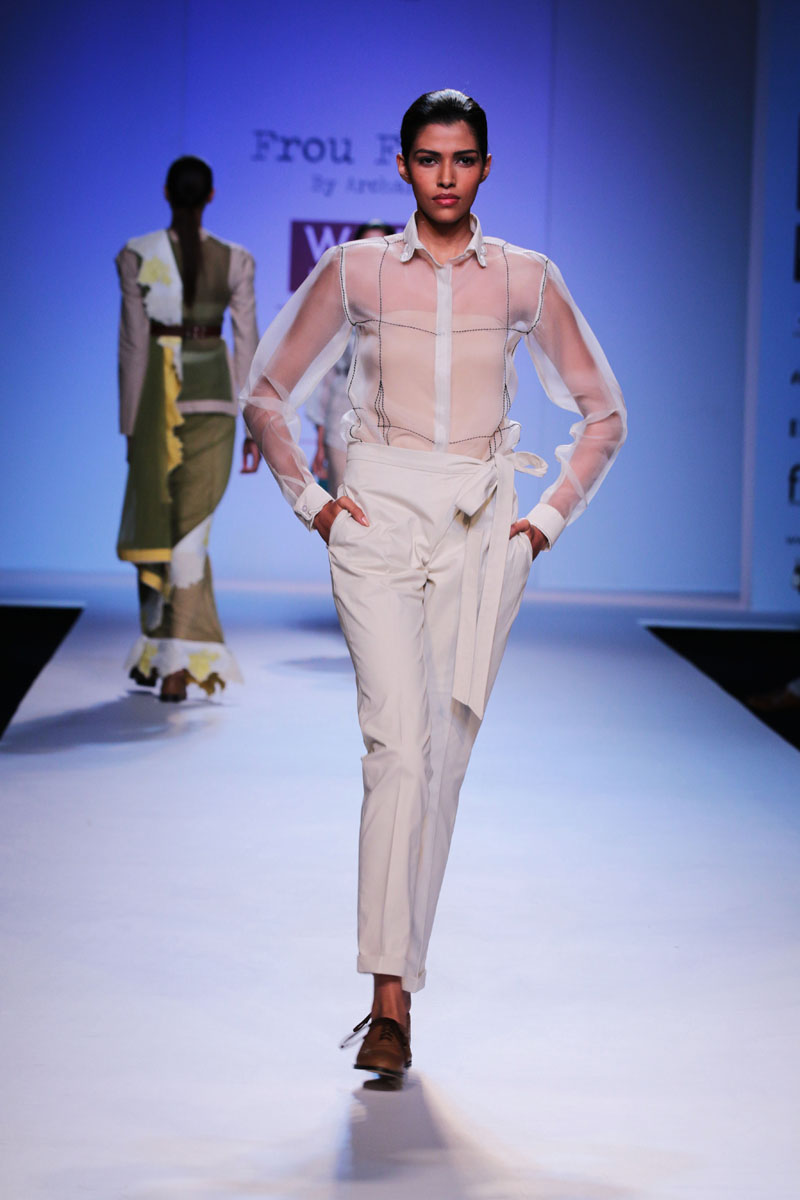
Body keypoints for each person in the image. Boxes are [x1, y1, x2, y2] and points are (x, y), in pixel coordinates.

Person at [241, 90, 626, 1079]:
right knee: (394, 752)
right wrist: (316, 504)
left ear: (485, 167)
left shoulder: (526, 278)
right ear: (403, 166)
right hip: (376, 516)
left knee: (442, 762)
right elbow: (266, 392)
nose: (444, 176)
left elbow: (603, 413)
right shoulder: (356, 269)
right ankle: (386, 1003)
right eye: (427, 158)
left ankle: (400, 985)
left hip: (481, 525)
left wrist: (541, 526)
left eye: (461, 159)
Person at [116, 156, 260, 702]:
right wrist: (254, 422)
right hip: (217, 404)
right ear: (212, 196)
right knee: (188, 535)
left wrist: (130, 425)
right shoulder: (236, 260)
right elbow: (246, 342)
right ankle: (165, 654)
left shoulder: (137, 254)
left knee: (163, 529)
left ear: (165, 192)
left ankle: (170, 658)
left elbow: (134, 345)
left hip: (158, 405)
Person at [307, 221, 397, 497]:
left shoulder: (411, 301)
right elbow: (325, 374)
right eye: (365, 247)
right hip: (343, 420)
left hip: (398, 422)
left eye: (381, 246)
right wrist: (319, 442)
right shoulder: (338, 302)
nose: (374, 255)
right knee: (346, 508)